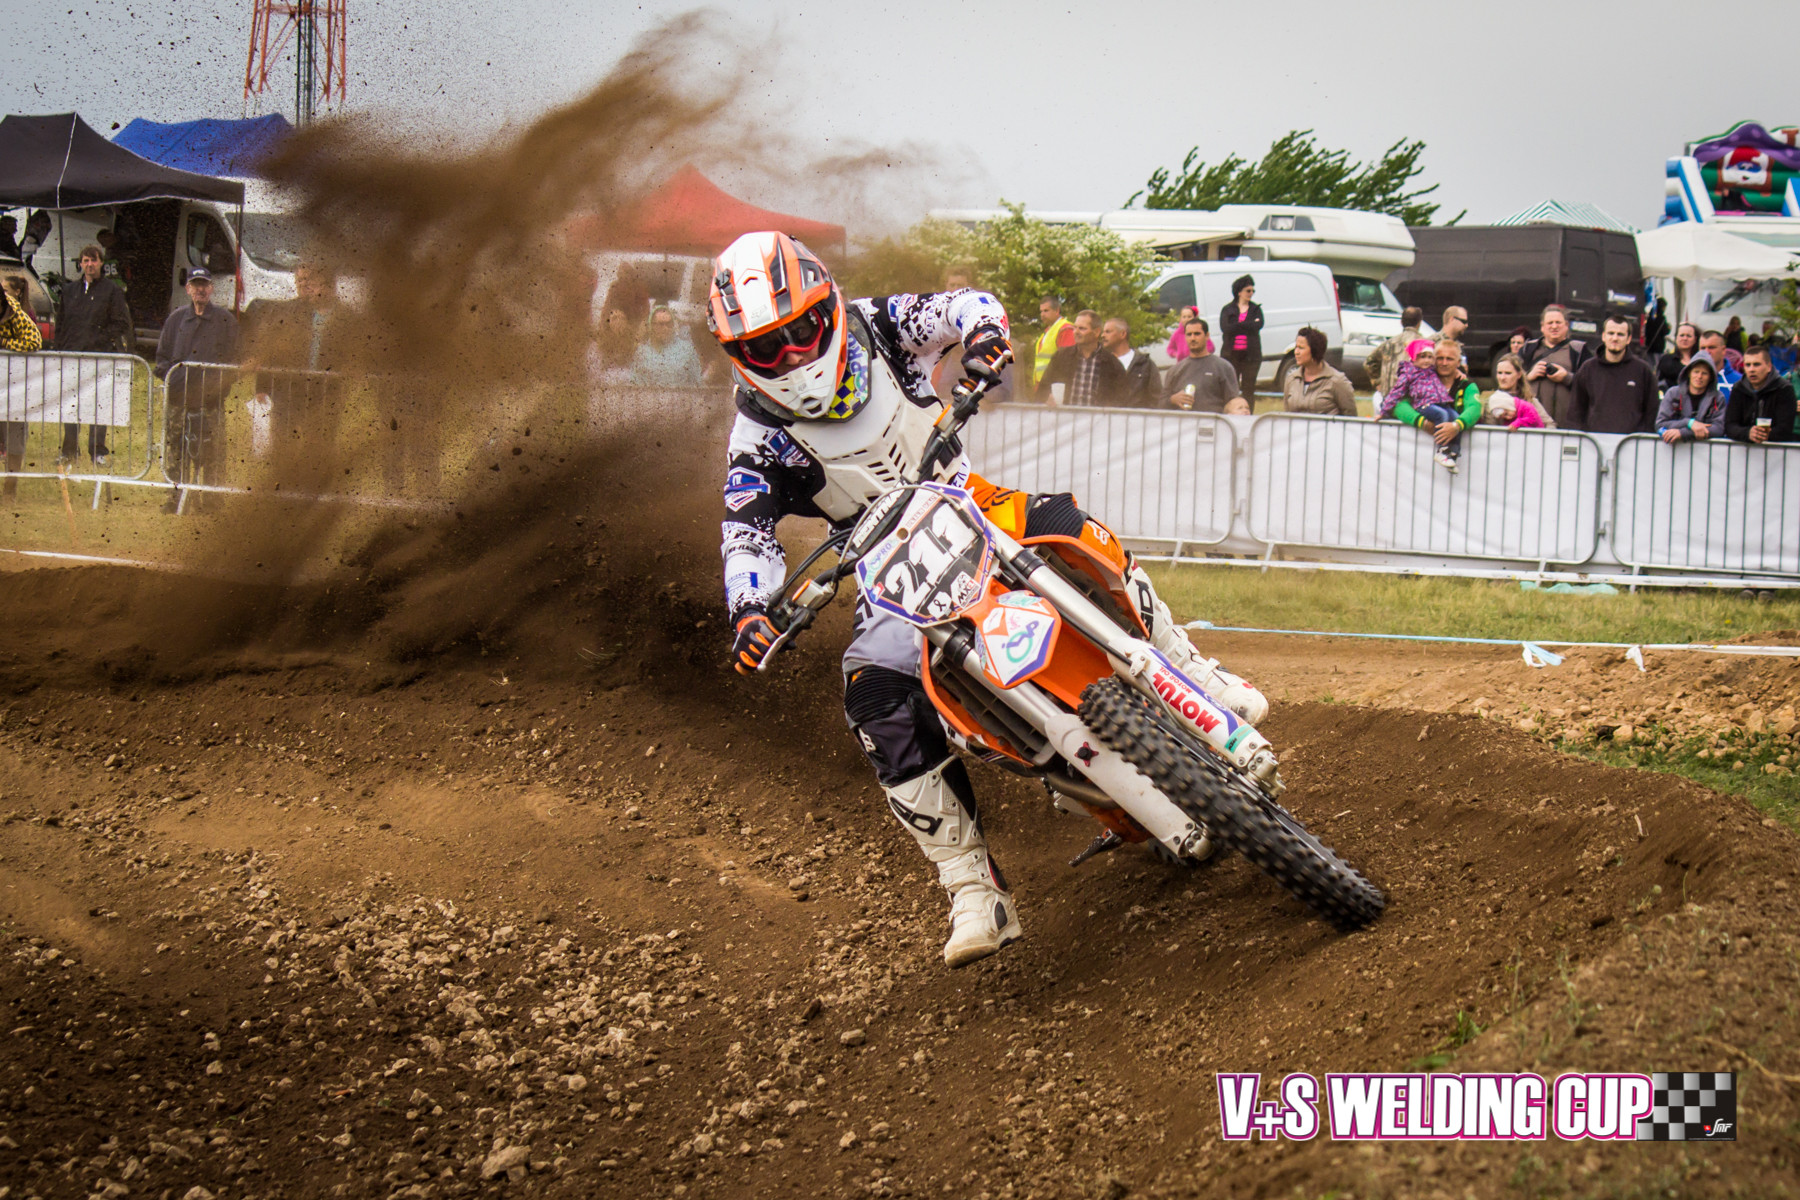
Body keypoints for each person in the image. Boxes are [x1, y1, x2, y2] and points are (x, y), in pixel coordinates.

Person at [709, 231, 1267, 968]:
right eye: (764, 348)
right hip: (883, 569)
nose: (787, 357)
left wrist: (983, 337)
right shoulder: (755, 439)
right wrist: (751, 608)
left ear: (826, 307)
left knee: (1072, 525)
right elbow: (744, 532)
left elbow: (963, 306)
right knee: (871, 691)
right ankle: (972, 887)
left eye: (797, 333)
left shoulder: (880, 323)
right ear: (738, 354)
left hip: (968, 501)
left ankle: (1193, 673)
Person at [154, 268, 238, 509]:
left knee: (213, 453)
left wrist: (218, 385)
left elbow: (236, 360)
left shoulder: (225, 321)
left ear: (211, 288)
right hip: (179, 401)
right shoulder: (175, 320)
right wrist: (175, 381)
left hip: (210, 402)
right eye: (195, 285)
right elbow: (162, 359)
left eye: (204, 285)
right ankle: (176, 499)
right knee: (176, 451)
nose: (200, 289)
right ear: (188, 289)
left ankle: (211, 500)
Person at [52, 244, 132, 467]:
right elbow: (61, 323)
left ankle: (97, 451)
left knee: (98, 406)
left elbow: (121, 323)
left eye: (93, 260)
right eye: (86, 260)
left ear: (101, 263)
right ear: (80, 263)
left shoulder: (112, 291)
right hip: (72, 358)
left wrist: (99, 339)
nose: (89, 265)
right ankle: (69, 450)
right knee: (71, 405)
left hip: (99, 358)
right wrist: (60, 349)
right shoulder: (69, 291)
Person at [1394, 339, 1481, 472]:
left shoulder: (1467, 385)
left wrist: (1456, 426)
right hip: (1414, 461)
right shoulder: (1419, 380)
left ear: (1458, 362)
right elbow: (1398, 404)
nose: (1444, 363)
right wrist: (1422, 422)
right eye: (1440, 358)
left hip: (1458, 465)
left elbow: (1475, 409)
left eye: (1449, 359)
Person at [1567, 315, 1659, 434]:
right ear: (1603, 336)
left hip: (1631, 442)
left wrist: (1640, 438)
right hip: (1594, 442)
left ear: (1629, 339)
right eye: (1611, 333)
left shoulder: (1643, 371)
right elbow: (1575, 411)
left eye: (1620, 334)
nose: (1615, 338)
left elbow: (1652, 412)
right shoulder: (1588, 369)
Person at [1, 275, 43, 501]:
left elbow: (33, 342)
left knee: (15, 441)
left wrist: (5, 344)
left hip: (16, 388)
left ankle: (10, 489)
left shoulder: (19, 313)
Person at [1039, 310, 1127, 407]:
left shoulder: (1113, 365)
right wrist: (1047, 400)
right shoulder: (1061, 357)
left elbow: (1122, 401)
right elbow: (1042, 390)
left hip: (1097, 417)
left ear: (1096, 332)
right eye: (1075, 328)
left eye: (1082, 329)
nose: (1076, 332)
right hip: (1065, 416)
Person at [1521, 305, 1589, 427]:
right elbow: (1510, 380)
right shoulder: (1528, 349)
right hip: (1532, 424)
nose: (1554, 326)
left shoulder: (1578, 350)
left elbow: (1591, 384)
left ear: (1566, 325)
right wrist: (1529, 376)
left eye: (1558, 322)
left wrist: (1567, 378)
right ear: (1542, 327)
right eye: (1550, 323)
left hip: (1567, 425)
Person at [1163, 317, 1245, 413]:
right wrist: (1172, 399)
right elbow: (1160, 404)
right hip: (1184, 421)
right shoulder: (1175, 371)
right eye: (1189, 334)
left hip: (1214, 421)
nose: (1193, 338)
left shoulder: (1223, 367)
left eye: (1197, 334)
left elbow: (1234, 404)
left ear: (1207, 336)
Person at [1724, 343, 1797, 444]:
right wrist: (1748, 433)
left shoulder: (1784, 388)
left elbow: (1785, 429)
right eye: (1747, 365)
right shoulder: (1738, 388)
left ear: (1769, 367)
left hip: (1775, 449)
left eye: (1757, 364)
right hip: (1743, 450)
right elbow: (1730, 426)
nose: (1751, 369)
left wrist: (1760, 435)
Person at [1280, 326, 1355, 416]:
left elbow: (1350, 418)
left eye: (1301, 348)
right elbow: (1287, 415)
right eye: (1296, 347)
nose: (1296, 352)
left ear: (1315, 350)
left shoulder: (1337, 381)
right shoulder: (1291, 379)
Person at [1655, 352, 1726, 444]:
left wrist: (1683, 433)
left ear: (1711, 377)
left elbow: (1719, 429)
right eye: (1696, 372)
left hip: (1705, 450)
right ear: (1689, 373)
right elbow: (1660, 424)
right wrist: (1689, 423)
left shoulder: (1718, 398)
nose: (1699, 377)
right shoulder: (1672, 393)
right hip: (1674, 449)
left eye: (1704, 373)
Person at [629, 304, 706, 387]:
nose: (665, 328)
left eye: (669, 324)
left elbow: (697, 382)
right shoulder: (642, 352)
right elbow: (635, 383)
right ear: (652, 326)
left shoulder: (687, 350)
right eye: (661, 324)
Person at [1218, 275, 1263, 405]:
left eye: (1253, 291)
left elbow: (1258, 325)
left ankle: (1248, 413)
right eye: (1248, 291)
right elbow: (1226, 328)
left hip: (1251, 356)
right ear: (1239, 292)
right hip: (1231, 355)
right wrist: (1248, 325)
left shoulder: (1255, 309)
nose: (1251, 293)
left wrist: (1237, 325)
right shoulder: (1228, 309)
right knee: (1232, 388)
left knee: (1249, 389)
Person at [1364, 306, 1425, 400]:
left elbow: (1369, 362)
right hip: (1413, 397)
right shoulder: (1424, 344)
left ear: (1401, 322)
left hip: (1389, 396)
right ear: (1419, 323)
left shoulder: (1389, 343)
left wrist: (1378, 381)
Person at [1101, 317, 1160, 407]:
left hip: (1138, 415)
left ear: (1123, 334)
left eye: (1108, 332)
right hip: (1109, 415)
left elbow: (1156, 397)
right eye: (1103, 332)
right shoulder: (1101, 363)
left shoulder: (1145, 364)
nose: (1102, 335)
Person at [1482, 353, 1546, 429]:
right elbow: (1490, 431)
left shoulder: (1530, 400)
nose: (1502, 378)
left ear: (1519, 375)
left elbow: (1550, 425)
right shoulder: (1492, 401)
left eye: (1508, 373)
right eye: (1499, 373)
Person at [1031, 296, 1075, 390]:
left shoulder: (1065, 329)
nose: (1042, 314)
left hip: (1054, 387)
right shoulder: (1048, 331)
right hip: (1042, 385)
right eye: (1041, 311)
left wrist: (1057, 390)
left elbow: (1066, 364)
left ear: (1057, 311)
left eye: (1046, 311)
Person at [1656, 322, 1699, 390]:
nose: (1685, 338)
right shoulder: (1666, 360)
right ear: (1676, 338)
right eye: (1682, 335)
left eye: (1689, 336)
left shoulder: (1699, 360)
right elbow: (1659, 382)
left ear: (1695, 339)